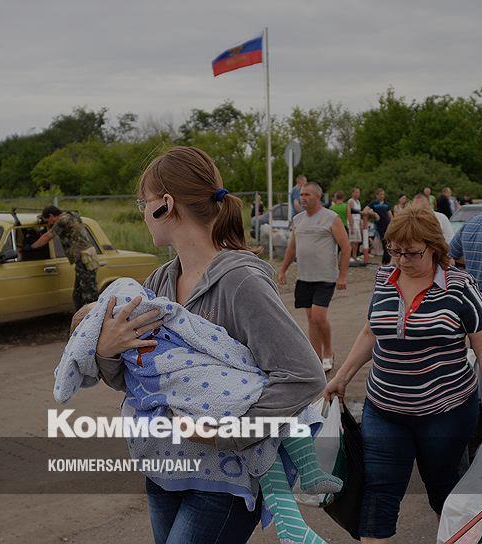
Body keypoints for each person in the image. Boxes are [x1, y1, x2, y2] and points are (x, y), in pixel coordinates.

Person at [89, 146, 326, 544]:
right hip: (165, 470)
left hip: (224, 481)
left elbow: (304, 376)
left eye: (143, 203)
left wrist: (226, 434)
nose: (142, 213)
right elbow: (135, 379)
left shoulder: (241, 281)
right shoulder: (159, 283)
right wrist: (106, 350)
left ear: (165, 205)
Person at [324, 206, 482, 541]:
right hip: (384, 409)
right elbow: (371, 331)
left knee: (444, 489)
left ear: (434, 248)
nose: (401, 260)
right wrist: (341, 378)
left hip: (446, 413)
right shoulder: (385, 278)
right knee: (379, 492)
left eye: (412, 253)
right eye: (395, 251)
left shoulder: (460, 286)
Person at [278, 182, 351, 372]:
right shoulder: (298, 219)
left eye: (307, 195)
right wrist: (283, 269)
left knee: (319, 317)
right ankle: (316, 358)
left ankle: (328, 353)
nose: (303, 198)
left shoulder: (331, 218)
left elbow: (346, 247)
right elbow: (292, 248)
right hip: (304, 277)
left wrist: (343, 275)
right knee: (311, 318)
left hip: (325, 277)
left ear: (318, 197)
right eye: (302, 195)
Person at [28, 205, 97, 311]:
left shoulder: (62, 221)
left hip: (84, 258)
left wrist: (30, 247)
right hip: (86, 256)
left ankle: (93, 316)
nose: (48, 224)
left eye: (48, 221)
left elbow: (47, 236)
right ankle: (80, 316)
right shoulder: (72, 215)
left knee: (88, 294)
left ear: (51, 216)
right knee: (78, 293)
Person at [366, 188, 393, 265]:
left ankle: (386, 261)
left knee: (387, 243)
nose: (382, 196)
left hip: (387, 225)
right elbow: (365, 210)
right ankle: (386, 261)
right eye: (380, 194)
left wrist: (393, 224)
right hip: (379, 226)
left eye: (383, 194)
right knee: (384, 242)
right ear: (377, 195)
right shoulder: (373, 203)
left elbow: (390, 216)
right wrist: (374, 214)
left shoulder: (386, 204)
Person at [348, 187, 364, 262]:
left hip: (357, 222)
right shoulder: (350, 201)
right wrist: (351, 226)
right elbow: (349, 214)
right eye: (356, 192)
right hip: (353, 222)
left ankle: (355, 255)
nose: (358, 194)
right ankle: (350, 256)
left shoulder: (358, 202)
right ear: (353, 193)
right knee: (352, 240)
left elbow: (359, 214)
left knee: (357, 240)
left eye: (359, 192)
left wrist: (361, 223)